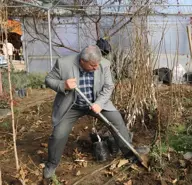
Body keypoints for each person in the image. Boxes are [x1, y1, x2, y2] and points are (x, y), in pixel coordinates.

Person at [44, 45, 134, 179]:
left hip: (96, 103)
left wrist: (99, 103)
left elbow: (109, 86)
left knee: (116, 120)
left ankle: (130, 153)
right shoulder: (63, 64)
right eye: (92, 65)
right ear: (82, 61)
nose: (96, 67)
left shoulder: (103, 64)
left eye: (97, 64)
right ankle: (51, 164)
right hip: (72, 106)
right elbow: (48, 80)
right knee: (58, 134)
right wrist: (63, 85)